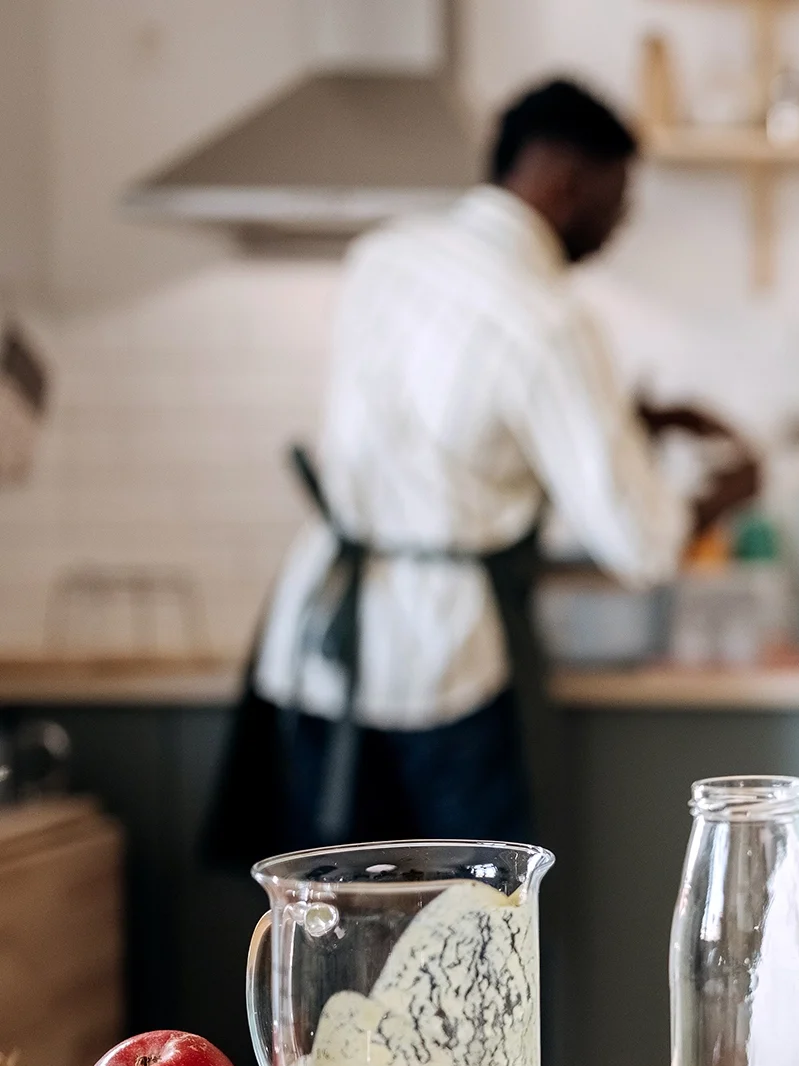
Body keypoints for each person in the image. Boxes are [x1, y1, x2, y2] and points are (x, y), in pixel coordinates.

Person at [208, 79, 757, 857]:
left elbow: (443, 438)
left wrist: (633, 422)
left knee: (326, 943)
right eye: (619, 196)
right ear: (567, 182)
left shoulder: (382, 257)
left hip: (317, 649)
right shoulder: (548, 320)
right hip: (444, 668)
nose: (620, 222)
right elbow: (644, 545)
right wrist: (730, 489)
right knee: (469, 953)